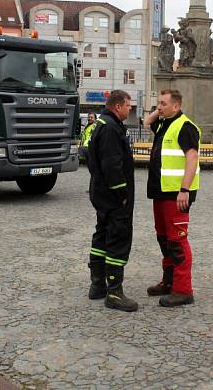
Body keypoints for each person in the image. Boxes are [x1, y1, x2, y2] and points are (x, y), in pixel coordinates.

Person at [143, 89, 200, 308]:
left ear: (176, 106)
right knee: (164, 239)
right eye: (158, 103)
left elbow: (192, 158)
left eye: (164, 104)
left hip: (177, 195)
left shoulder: (185, 126)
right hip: (161, 192)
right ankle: (168, 281)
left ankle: (183, 290)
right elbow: (147, 122)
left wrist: (184, 189)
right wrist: (158, 110)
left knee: (177, 241)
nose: (159, 107)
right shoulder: (165, 123)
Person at [85, 90, 138, 312]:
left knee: (102, 234)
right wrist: (122, 193)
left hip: (100, 191)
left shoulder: (101, 124)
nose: (130, 109)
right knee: (118, 236)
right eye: (128, 105)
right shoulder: (110, 129)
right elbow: (112, 165)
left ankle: (97, 284)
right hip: (113, 195)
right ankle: (114, 292)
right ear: (117, 106)